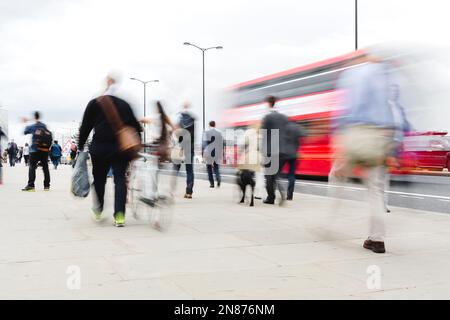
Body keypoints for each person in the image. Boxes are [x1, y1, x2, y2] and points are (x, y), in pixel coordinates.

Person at [330, 51, 395, 254]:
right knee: (375, 190)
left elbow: (350, 108)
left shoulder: (354, 75)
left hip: (358, 133)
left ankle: (329, 220)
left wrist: (340, 143)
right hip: (380, 136)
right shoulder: (384, 74)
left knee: (336, 174)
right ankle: (377, 239)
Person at [78, 73, 142, 227]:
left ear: (106, 85)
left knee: (99, 179)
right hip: (120, 148)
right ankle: (119, 215)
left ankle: (99, 210)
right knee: (120, 179)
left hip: (99, 147)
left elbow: (85, 126)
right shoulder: (124, 104)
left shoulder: (95, 103)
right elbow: (135, 127)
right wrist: (136, 146)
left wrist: (80, 147)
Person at [260, 96, 290, 205]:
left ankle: (271, 197)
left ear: (268, 104)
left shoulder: (267, 117)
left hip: (270, 150)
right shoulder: (284, 118)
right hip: (282, 150)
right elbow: (287, 134)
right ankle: (281, 193)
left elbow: (264, 135)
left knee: (269, 175)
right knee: (276, 173)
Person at [22, 111, 52, 191]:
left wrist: (28, 120)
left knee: (32, 167)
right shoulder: (44, 126)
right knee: (45, 167)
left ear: (34, 117)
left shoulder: (32, 126)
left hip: (35, 149)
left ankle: (31, 186)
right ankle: (46, 186)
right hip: (45, 150)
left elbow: (25, 131)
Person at [172, 102, 196, 199]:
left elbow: (176, 133)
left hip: (180, 147)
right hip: (190, 147)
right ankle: (189, 192)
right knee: (189, 171)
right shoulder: (193, 120)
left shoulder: (179, 119)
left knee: (175, 170)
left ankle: (171, 191)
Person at [283, 121, 306, 200]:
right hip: (294, 154)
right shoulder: (297, 127)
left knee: (277, 173)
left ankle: (277, 192)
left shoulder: (284, 127)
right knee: (291, 175)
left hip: (284, 153)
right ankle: (290, 196)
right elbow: (304, 135)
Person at [202, 120, 223, 188]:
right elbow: (221, 144)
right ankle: (218, 178)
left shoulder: (206, 133)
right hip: (217, 152)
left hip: (209, 152)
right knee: (216, 167)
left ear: (209, 125)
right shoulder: (219, 133)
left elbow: (204, 144)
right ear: (215, 125)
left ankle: (212, 183)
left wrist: (203, 153)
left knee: (209, 168)